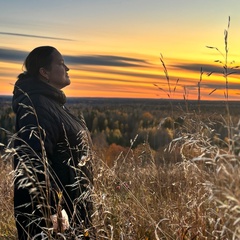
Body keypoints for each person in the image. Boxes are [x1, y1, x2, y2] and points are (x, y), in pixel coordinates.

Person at [12, 46, 94, 239]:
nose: (67, 68)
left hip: (74, 207)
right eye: (61, 63)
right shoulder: (39, 106)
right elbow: (31, 164)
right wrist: (52, 213)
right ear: (44, 72)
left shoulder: (52, 104)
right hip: (62, 215)